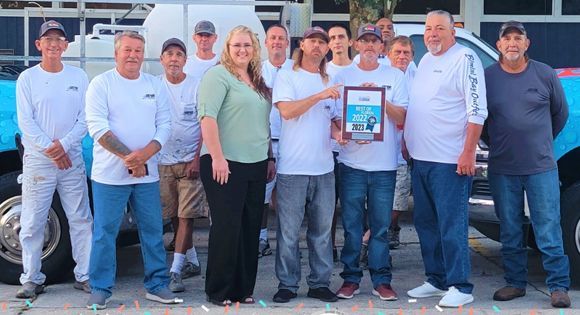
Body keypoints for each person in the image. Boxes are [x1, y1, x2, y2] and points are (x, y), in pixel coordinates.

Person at [85, 31, 181, 309]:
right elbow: (97, 128)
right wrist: (132, 159)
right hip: (108, 176)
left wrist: (144, 158)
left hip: (147, 175)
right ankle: (101, 288)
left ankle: (157, 284)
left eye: (138, 50)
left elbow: (164, 125)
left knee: (152, 231)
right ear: (116, 53)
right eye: (127, 50)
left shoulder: (154, 85)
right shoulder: (101, 84)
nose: (133, 55)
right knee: (105, 232)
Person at [483, 21, 571, 308]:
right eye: (506, 38)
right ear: (498, 45)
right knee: (510, 228)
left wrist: (540, 141)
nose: (512, 43)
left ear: (526, 43)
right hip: (503, 167)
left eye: (517, 38)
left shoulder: (545, 74)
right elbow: (482, 122)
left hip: (540, 167)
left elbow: (560, 114)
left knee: (547, 227)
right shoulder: (488, 77)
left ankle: (558, 286)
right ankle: (515, 283)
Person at [404, 10, 488, 307]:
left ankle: (461, 285)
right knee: (426, 224)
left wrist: (468, 151)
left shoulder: (465, 59)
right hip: (421, 160)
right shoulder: (425, 60)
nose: (433, 34)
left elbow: (477, 109)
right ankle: (436, 279)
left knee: (452, 225)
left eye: (440, 28)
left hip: (449, 161)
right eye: (428, 28)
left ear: (453, 31)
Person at [15, 19, 93, 298]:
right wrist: (52, 148)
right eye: (48, 39)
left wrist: (65, 146)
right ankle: (32, 278)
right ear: (39, 45)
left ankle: (84, 275)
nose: (53, 44)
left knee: (81, 218)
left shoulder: (78, 77)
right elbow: (26, 122)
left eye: (59, 39)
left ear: (66, 45)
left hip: (71, 159)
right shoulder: (27, 79)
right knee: (33, 220)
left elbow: (84, 118)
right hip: (39, 161)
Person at [197, 25, 273, 306]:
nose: (242, 50)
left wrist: (270, 156)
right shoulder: (217, 76)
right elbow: (208, 118)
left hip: (255, 163)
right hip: (225, 163)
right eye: (237, 45)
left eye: (248, 45)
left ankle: (242, 289)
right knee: (227, 228)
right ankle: (219, 290)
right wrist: (217, 157)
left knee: (250, 228)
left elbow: (262, 123)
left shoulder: (256, 79)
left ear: (255, 50)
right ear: (227, 49)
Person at [333, 24, 408, 301]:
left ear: (381, 47)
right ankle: (350, 279)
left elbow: (401, 117)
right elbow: (334, 117)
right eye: (363, 40)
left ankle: (381, 279)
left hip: (384, 166)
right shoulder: (342, 76)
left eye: (373, 41)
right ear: (355, 44)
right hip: (352, 163)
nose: (368, 46)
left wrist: (380, 96)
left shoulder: (394, 76)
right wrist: (345, 132)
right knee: (352, 227)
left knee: (380, 228)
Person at [272, 26, 341, 304]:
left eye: (322, 42)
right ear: (302, 45)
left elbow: (334, 120)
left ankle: (320, 283)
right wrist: (319, 97)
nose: (317, 46)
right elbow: (287, 112)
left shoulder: (330, 79)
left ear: (327, 49)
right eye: (312, 41)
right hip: (293, 169)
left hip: (324, 169)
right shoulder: (288, 75)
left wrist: (343, 135)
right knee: (288, 233)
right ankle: (287, 284)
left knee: (322, 233)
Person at [157, 38, 209, 292]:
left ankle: (175, 271)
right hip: (163, 161)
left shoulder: (196, 86)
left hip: (190, 160)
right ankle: (192, 261)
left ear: (185, 60)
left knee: (186, 215)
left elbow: (204, 124)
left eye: (179, 54)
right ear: (162, 59)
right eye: (170, 54)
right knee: (175, 216)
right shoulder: (154, 86)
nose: (174, 59)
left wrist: (197, 157)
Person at [259, 24, 293, 258]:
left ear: (287, 43)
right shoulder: (256, 71)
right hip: (266, 142)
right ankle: (261, 238)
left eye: (281, 38)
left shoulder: (296, 70)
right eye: (273, 38)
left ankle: (287, 241)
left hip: (293, 141)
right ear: (266, 42)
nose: (277, 42)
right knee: (262, 194)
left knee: (289, 197)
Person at [386, 35, 416, 249]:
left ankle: (387, 229)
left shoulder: (420, 78)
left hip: (408, 150)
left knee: (399, 199)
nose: (402, 56)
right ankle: (378, 237)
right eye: (397, 52)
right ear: (389, 55)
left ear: (412, 56)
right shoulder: (382, 75)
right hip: (382, 149)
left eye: (406, 53)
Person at [326, 23, 353, 262]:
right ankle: (330, 247)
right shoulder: (323, 72)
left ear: (350, 42)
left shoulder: (358, 70)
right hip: (329, 149)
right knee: (329, 206)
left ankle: (354, 249)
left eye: (341, 37)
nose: (337, 41)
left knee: (353, 205)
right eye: (332, 37)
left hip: (356, 149)